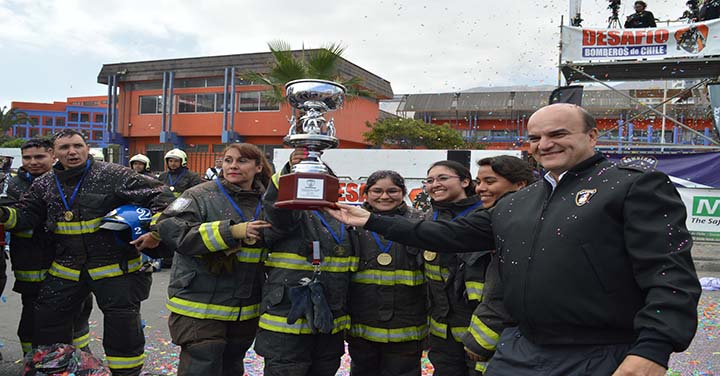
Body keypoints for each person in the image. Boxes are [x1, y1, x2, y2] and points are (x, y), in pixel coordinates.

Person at [326, 103, 701, 376]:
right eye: (535, 137)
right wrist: (372, 221)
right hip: (520, 348)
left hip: (602, 353)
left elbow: (670, 274)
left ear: (592, 136)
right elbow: (447, 234)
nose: (545, 144)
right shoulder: (517, 201)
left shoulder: (632, 185)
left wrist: (654, 348)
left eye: (558, 134)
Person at [0, 129, 171, 376]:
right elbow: (26, 215)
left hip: (115, 267)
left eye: (77, 146)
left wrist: (155, 231)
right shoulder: (45, 183)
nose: (72, 152)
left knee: (123, 329)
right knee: (48, 322)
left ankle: (127, 373)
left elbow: (162, 196)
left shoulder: (114, 174)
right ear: (54, 153)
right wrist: (4, 215)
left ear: (86, 147)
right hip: (66, 268)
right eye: (65, 147)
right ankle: (58, 369)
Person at [157, 143, 272, 376]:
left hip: (245, 306)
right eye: (228, 160)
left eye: (242, 161)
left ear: (258, 167)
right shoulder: (199, 195)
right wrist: (231, 232)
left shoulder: (268, 201)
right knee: (203, 362)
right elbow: (170, 229)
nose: (233, 166)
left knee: (232, 365)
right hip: (200, 304)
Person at [255, 148, 356, 376]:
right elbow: (275, 209)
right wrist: (290, 172)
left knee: (325, 369)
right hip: (286, 322)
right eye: (306, 180)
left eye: (319, 180)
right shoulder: (290, 213)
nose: (313, 185)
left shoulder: (342, 218)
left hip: (330, 321)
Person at [5, 139, 95, 355]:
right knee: (31, 319)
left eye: (39, 157)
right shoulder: (12, 186)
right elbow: (13, 217)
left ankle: (80, 357)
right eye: (27, 158)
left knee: (77, 314)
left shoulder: (70, 181)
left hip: (69, 262)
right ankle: (34, 360)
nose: (32, 162)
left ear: (52, 155)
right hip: (30, 264)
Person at [346, 170, 427, 376]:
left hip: (408, 322)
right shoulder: (351, 223)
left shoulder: (420, 222)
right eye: (377, 191)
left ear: (403, 192)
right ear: (366, 194)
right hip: (363, 320)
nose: (384, 196)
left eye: (392, 191)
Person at [462, 155, 536, 368]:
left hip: (507, 342)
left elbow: (501, 291)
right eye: (479, 182)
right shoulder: (486, 219)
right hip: (485, 339)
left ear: (520, 185)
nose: (480, 188)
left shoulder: (523, 227)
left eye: (490, 181)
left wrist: (480, 342)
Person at [421, 160, 487, 376]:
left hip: (480, 329)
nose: (434, 184)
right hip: (442, 332)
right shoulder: (428, 219)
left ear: (466, 181)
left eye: (442, 178)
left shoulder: (486, 216)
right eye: (429, 180)